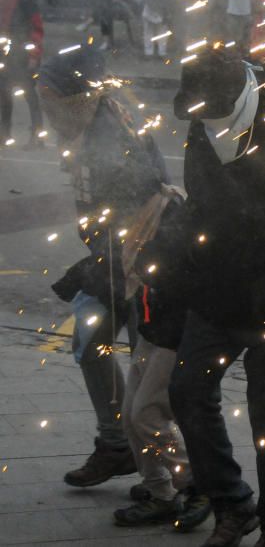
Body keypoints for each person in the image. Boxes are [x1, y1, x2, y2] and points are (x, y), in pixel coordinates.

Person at [138, 47, 265, 547]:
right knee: (187, 392)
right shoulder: (202, 129)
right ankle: (232, 502)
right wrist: (174, 250)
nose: (204, 124)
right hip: (220, 293)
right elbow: (205, 208)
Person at [37, 48, 169, 491]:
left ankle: (172, 479)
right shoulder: (85, 124)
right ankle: (115, 444)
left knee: (145, 375)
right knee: (90, 342)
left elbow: (136, 208)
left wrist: (103, 266)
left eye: (52, 98)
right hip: (107, 258)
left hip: (139, 261)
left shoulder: (114, 133)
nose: (47, 108)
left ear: (76, 97)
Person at [0, 0, 43, 148]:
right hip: (5, 54)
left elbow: (36, 27)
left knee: (29, 95)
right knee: (4, 94)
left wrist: (34, 56)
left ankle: (37, 136)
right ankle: (4, 134)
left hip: (24, 53)